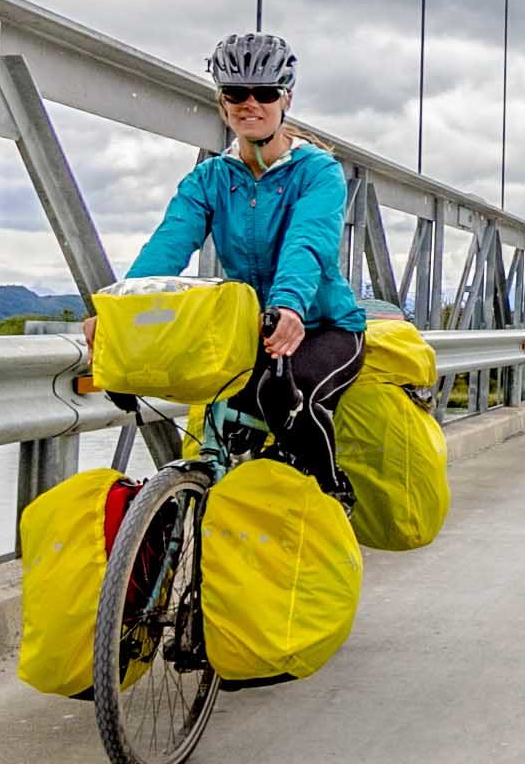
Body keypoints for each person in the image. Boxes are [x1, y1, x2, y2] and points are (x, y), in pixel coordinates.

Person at [101, 32, 368, 501]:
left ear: (286, 98)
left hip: (324, 326)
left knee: (285, 396)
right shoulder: (210, 178)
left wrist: (288, 305)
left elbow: (308, 242)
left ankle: (331, 492)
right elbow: (168, 244)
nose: (250, 104)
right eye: (235, 93)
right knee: (220, 408)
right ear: (221, 102)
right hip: (249, 328)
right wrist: (120, 312)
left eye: (264, 93)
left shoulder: (318, 172)